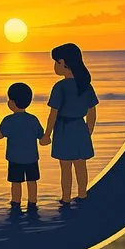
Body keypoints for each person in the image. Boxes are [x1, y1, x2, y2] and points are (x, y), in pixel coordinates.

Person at [46, 43, 96, 203]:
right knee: (81, 166)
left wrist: (47, 134)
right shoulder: (85, 86)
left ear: (64, 63)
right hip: (80, 128)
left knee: (65, 168)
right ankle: (82, 194)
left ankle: (66, 197)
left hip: (64, 129)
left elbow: (53, 114)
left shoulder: (60, 87)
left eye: (56, 62)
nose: (54, 66)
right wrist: (88, 131)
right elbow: (92, 112)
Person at [0, 83, 45, 212]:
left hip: (14, 159)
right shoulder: (33, 119)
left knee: (16, 183)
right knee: (32, 181)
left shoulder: (8, 120)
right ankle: (32, 202)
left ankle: (16, 203)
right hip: (31, 158)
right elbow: (42, 136)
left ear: (12, 102)